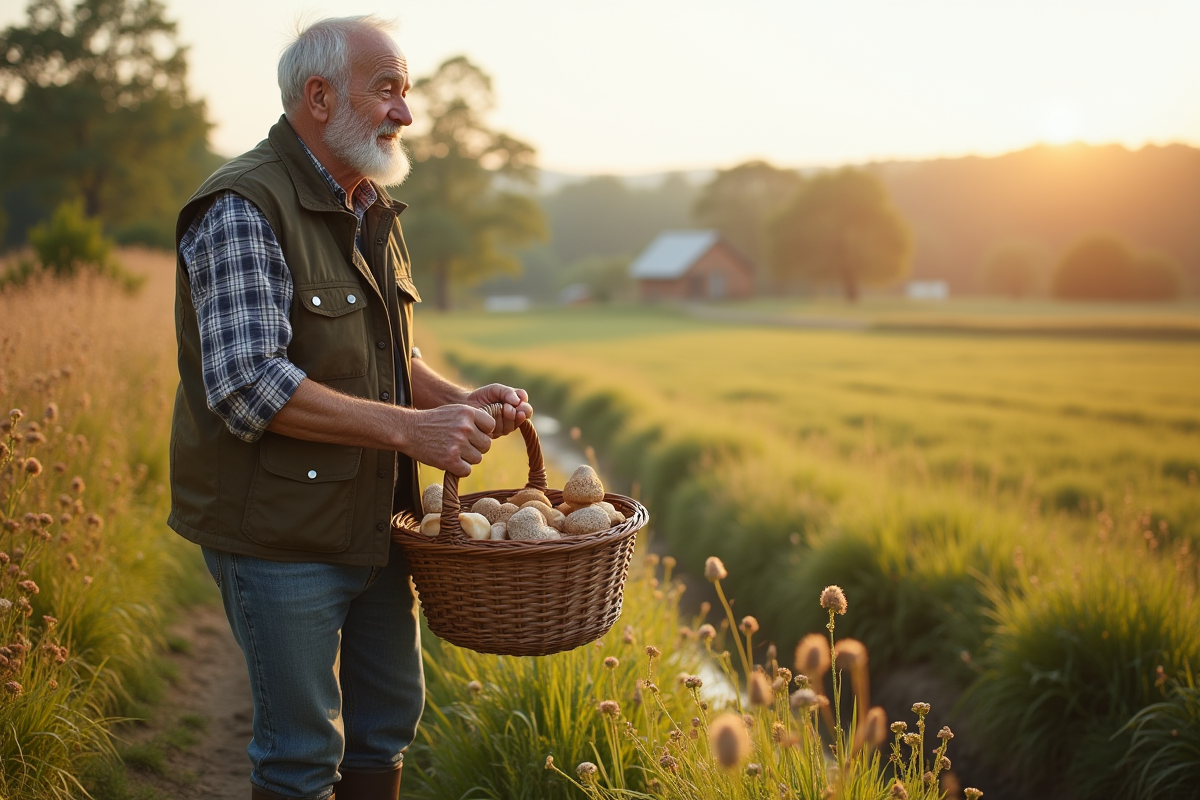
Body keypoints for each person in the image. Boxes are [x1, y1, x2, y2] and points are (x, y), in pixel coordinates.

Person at [169, 16, 532, 800]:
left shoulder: (369, 203)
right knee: (300, 753)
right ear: (320, 96)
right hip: (278, 533)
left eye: (406, 92)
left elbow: (387, 359)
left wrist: (459, 401)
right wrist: (414, 430)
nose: (406, 112)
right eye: (389, 90)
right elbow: (246, 384)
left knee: (385, 726)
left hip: (376, 521)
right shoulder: (242, 206)